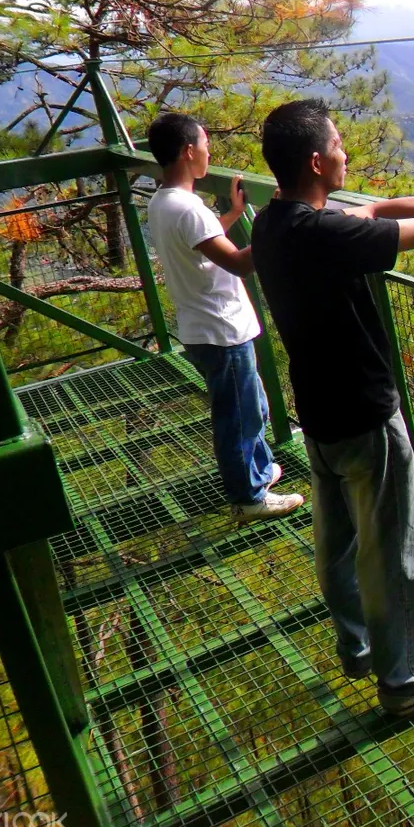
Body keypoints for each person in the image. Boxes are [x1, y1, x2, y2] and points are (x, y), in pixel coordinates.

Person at [251, 98, 414, 716]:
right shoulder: (327, 235)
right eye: (338, 147)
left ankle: (359, 647)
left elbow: (374, 211)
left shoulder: (275, 223)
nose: (346, 153)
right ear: (317, 160)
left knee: (338, 540)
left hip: (318, 413)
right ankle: (408, 681)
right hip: (365, 415)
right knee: (396, 550)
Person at [145, 113, 305, 522]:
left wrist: (232, 216)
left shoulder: (162, 202)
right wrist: (281, 224)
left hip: (201, 327)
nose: (208, 152)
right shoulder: (188, 208)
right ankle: (249, 498)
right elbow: (236, 264)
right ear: (188, 151)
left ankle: (260, 471)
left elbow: (200, 242)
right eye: (205, 145)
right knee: (238, 417)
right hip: (221, 330)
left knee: (250, 408)